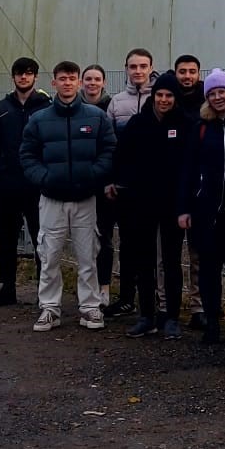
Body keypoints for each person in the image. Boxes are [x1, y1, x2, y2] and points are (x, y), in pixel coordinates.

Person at [21, 60, 116, 331]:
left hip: (86, 199)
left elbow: (109, 149)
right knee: (49, 256)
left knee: (88, 256)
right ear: (54, 83)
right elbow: (27, 155)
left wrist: (93, 175)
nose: (67, 83)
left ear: (78, 82)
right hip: (52, 199)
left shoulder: (96, 117)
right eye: (62, 78)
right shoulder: (39, 120)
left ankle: (90, 308)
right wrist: (45, 178)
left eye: (72, 78)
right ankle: (49, 307)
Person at [114, 74, 191, 337]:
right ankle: (146, 314)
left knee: (170, 261)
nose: (164, 100)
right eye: (160, 95)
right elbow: (122, 157)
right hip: (141, 202)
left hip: (172, 204)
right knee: (143, 260)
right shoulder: (138, 123)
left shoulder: (184, 124)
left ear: (175, 98)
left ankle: (171, 317)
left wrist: (184, 204)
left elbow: (187, 167)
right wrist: (122, 184)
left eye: (169, 96)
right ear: (153, 96)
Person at [178, 69, 225, 343]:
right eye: (212, 93)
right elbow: (188, 168)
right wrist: (184, 207)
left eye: (222, 92)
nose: (218, 97)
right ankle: (212, 324)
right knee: (208, 270)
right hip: (205, 210)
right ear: (207, 97)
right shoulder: (201, 127)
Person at [0, 58, 50, 307]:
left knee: (41, 239)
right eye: (19, 74)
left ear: (35, 77)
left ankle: (43, 288)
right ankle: (8, 287)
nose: (23, 78)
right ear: (12, 77)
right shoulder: (1, 108)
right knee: (7, 238)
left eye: (28, 73)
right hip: (8, 185)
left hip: (37, 186)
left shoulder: (46, 107)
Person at [99, 48, 155, 315]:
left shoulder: (162, 99)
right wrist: (111, 180)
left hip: (154, 188)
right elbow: (109, 146)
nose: (138, 71)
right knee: (128, 245)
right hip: (125, 187)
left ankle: (154, 301)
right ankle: (126, 298)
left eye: (143, 66)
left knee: (153, 247)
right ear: (126, 69)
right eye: (133, 67)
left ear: (151, 67)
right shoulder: (116, 103)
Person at [166, 53, 208, 325]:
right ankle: (167, 307)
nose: (187, 76)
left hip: (197, 188)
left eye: (192, 71)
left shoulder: (208, 102)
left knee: (198, 254)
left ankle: (198, 307)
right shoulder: (167, 100)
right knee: (167, 255)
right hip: (169, 188)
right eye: (182, 71)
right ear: (176, 73)